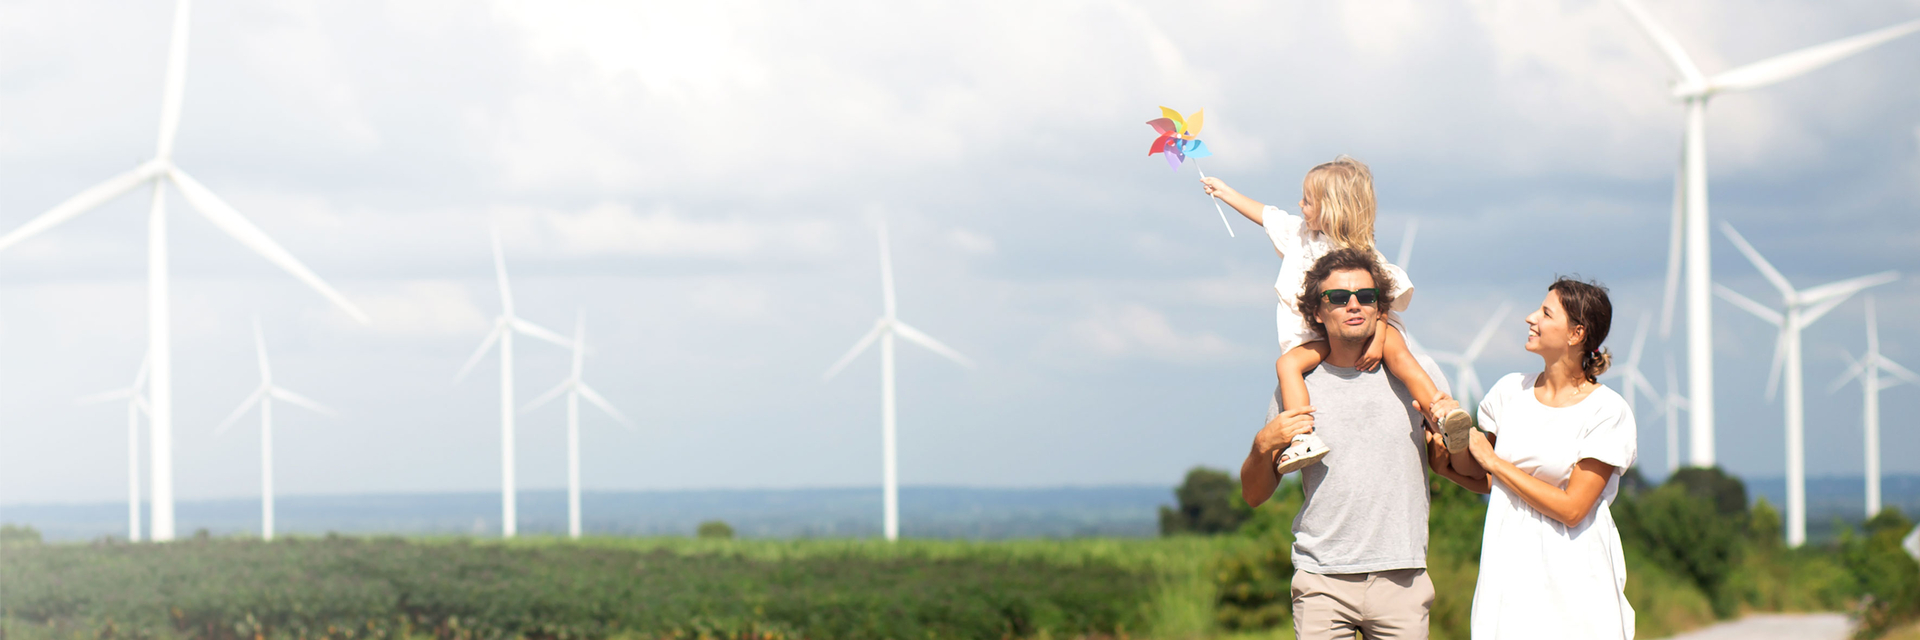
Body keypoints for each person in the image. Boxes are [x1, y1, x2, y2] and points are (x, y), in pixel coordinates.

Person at [1241, 247, 1465, 640]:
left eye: (1366, 296)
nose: (1354, 305)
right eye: (1339, 298)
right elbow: (1254, 495)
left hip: (1403, 577)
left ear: (1381, 309)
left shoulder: (1420, 373)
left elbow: (1453, 467)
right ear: (1316, 311)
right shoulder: (1296, 386)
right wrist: (1264, 445)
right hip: (1321, 580)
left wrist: (1452, 443)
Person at [1204, 156, 1472, 474]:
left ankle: (1440, 414)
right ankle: (1303, 437)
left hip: (1369, 329)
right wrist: (1224, 192)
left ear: (1329, 208)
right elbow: (1266, 216)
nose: (1300, 204)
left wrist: (1379, 337)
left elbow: (1383, 295)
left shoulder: (1363, 251)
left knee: (1400, 356)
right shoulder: (1300, 236)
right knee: (1287, 364)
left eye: (1308, 200)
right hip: (1322, 334)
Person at [1429, 277, 1638, 639]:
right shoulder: (1509, 392)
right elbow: (1483, 477)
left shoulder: (1607, 411)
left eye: (1545, 313)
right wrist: (1455, 440)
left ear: (1576, 334)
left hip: (1575, 585)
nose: (1530, 318)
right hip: (1508, 575)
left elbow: (1573, 508)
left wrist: (1494, 462)